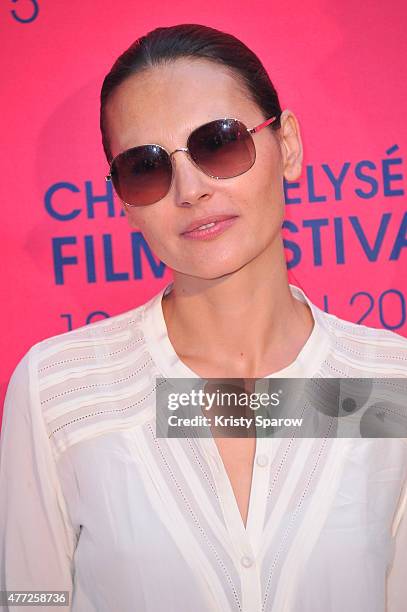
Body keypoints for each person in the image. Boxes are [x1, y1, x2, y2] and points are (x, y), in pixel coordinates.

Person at [1, 22, 406, 612]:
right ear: (121, 198)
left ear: (286, 146)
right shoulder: (58, 389)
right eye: (147, 168)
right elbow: (28, 597)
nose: (189, 189)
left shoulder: (388, 381)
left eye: (219, 143)